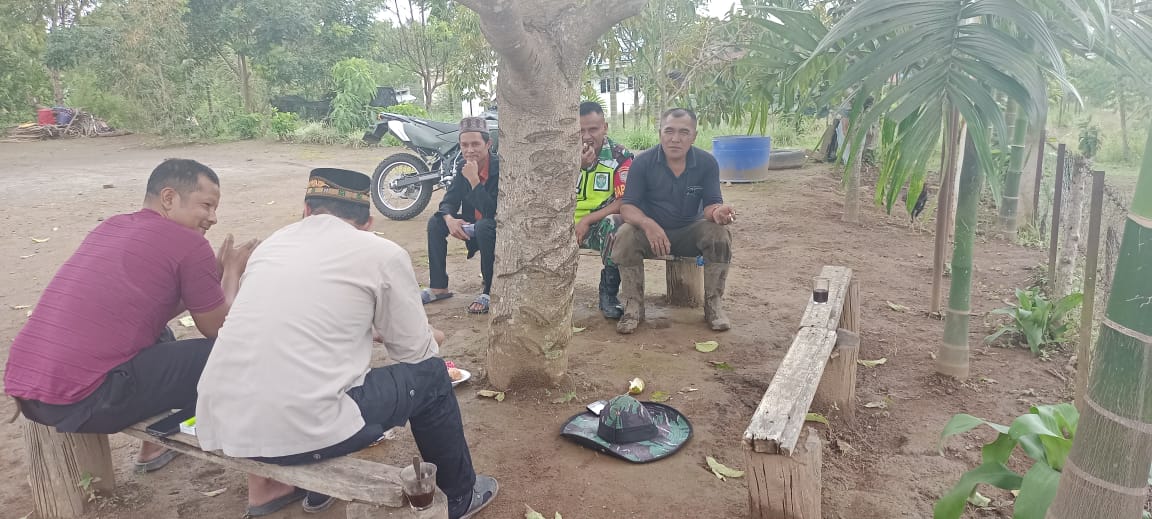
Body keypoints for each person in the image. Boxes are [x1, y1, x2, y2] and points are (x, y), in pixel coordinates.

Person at [195, 168, 498, 518]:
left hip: (220, 423)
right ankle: (460, 496)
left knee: (310, 372)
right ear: (368, 222)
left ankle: (287, 492)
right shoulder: (382, 253)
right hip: (304, 428)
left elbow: (300, 324)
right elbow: (416, 352)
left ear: (305, 211)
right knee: (430, 377)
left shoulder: (272, 245)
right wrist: (433, 336)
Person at [4, 158, 256, 472]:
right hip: (84, 399)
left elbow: (151, 306)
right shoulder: (189, 243)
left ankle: (151, 448)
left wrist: (214, 276)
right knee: (229, 357)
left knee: (160, 334)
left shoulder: (113, 225)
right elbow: (219, 330)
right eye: (206, 205)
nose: (213, 217)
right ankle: (267, 467)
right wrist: (232, 272)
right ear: (168, 198)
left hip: (31, 389)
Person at [612, 108, 736, 334]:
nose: (675, 139)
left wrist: (718, 213)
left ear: (694, 136)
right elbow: (627, 206)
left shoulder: (707, 163)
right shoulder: (643, 163)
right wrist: (648, 224)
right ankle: (633, 306)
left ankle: (713, 304)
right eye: (669, 131)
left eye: (683, 132)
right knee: (626, 234)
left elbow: (711, 205)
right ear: (660, 133)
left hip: (690, 231)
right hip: (652, 236)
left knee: (719, 234)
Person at [423, 117, 500, 314]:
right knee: (435, 222)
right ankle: (438, 286)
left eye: (475, 144)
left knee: (484, 225)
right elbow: (448, 202)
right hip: (472, 223)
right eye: (464, 145)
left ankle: (490, 291)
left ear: (488, 144)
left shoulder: (499, 168)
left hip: (496, 225)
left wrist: (474, 180)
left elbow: (491, 211)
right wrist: (450, 220)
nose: (470, 150)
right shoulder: (462, 168)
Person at [574, 101, 634, 319]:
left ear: (605, 127)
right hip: (564, 223)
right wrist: (575, 166)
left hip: (597, 225)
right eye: (580, 130)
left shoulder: (620, 157)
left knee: (615, 224)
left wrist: (587, 220)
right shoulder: (562, 154)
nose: (587, 136)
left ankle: (608, 294)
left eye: (593, 129)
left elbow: (623, 201)